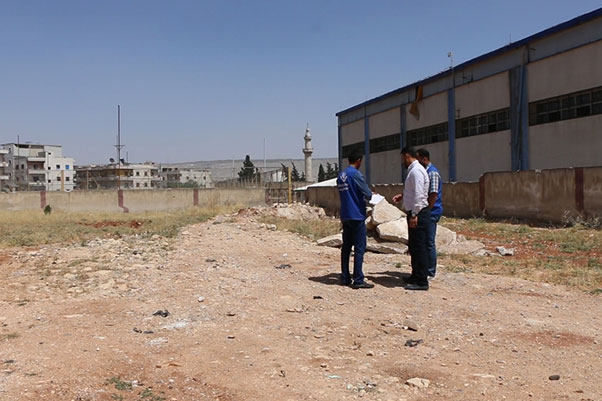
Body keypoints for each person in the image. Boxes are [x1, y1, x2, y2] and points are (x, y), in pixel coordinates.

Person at [392, 147, 431, 291]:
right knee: (414, 246)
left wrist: (414, 214)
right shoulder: (415, 170)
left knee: (419, 247)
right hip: (415, 212)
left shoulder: (416, 171)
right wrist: (403, 196)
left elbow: (420, 195)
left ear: (407, 156)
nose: (403, 162)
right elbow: (413, 191)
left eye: (403, 158)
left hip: (418, 213)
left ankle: (422, 281)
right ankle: (415, 275)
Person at [337, 151, 374, 289]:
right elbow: (368, 194)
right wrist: (370, 195)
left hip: (346, 215)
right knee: (359, 248)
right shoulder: (356, 174)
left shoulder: (341, 176)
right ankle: (358, 278)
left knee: (346, 247)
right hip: (357, 215)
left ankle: (345, 276)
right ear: (359, 160)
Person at [416, 148, 443, 279]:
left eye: (418, 159)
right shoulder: (425, 172)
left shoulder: (432, 173)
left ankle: (430, 271)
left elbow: (433, 195)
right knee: (425, 241)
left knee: (429, 242)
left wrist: (427, 210)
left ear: (424, 159)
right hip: (427, 211)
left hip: (431, 212)